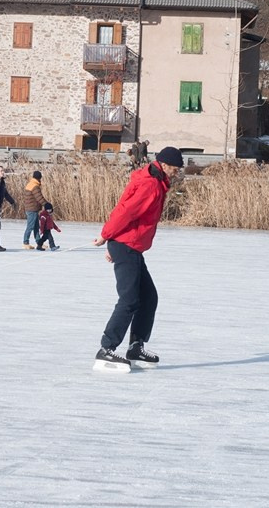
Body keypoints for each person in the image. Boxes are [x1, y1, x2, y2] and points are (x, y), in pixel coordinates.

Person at [91, 146, 184, 371]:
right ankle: (106, 349)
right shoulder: (151, 185)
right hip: (126, 245)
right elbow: (126, 212)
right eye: (175, 168)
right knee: (130, 299)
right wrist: (107, 236)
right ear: (164, 164)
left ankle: (135, 347)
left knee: (148, 297)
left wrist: (113, 240)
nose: (177, 173)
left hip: (129, 246)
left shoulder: (155, 181)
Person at [22, 170, 48, 249]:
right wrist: (46, 204)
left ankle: (39, 242)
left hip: (32, 208)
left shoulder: (30, 184)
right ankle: (25, 242)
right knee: (30, 226)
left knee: (36, 226)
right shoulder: (35, 186)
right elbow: (39, 197)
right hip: (32, 209)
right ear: (39, 178)